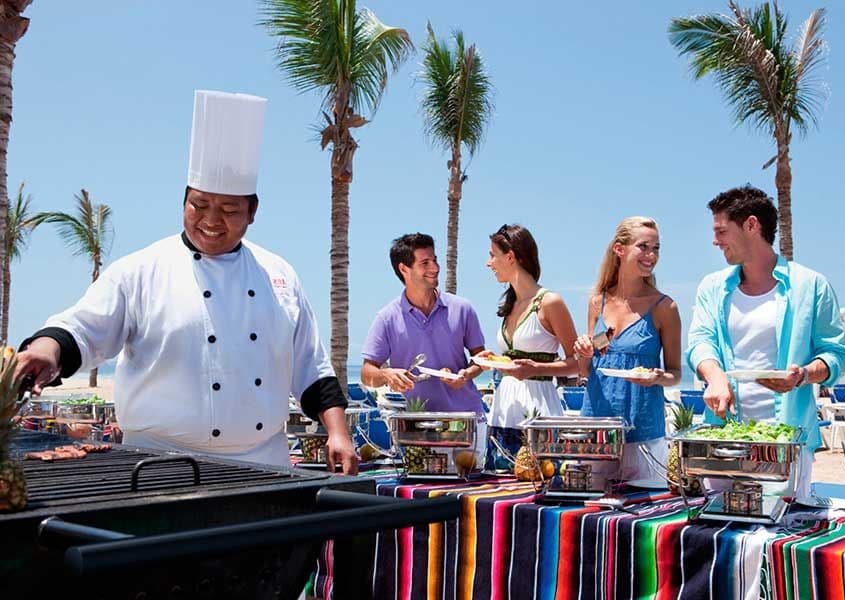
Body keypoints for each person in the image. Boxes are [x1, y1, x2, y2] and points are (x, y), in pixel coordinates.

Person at [15, 90, 357, 473]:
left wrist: (338, 433)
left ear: (253, 212)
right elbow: (80, 329)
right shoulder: (141, 270)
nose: (211, 220)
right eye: (198, 205)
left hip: (263, 464)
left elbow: (312, 369)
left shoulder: (279, 275)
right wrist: (46, 350)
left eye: (228, 209)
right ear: (183, 201)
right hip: (157, 465)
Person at [686, 185, 845, 495]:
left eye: (721, 231)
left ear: (751, 225)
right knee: (719, 536)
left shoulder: (811, 285)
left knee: (782, 536)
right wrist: (715, 377)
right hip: (723, 442)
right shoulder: (712, 287)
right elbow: (700, 342)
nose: (715, 240)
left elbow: (837, 355)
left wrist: (803, 375)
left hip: (787, 443)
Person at [574, 217, 682, 481]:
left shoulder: (665, 308)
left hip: (642, 431)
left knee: (643, 515)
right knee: (587, 516)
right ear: (619, 250)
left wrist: (658, 377)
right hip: (597, 430)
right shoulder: (597, 302)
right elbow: (588, 369)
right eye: (643, 246)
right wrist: (583, 352)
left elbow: (676, 373)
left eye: (656, 248)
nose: (651, 255)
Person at [481, 224, 579, 470]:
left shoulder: (549, 302)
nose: (488, 263)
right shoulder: (509, 305)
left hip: (540, 417)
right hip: (503, 413)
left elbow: (579, 363)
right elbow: (513, 360)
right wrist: (493, 358)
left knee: (537, 489)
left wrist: (536, 367)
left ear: (510, 257)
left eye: (493, 255)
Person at [360, 233, 486, 414]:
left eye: (435, 260)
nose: (435, 268)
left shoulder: (462, 308)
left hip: (465, 418)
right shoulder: (386, 318)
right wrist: (386, 374)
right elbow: (366, 373)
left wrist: (466, 375)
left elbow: (481, 359)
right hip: (412, 422)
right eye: (425, 263)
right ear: (404, 269)